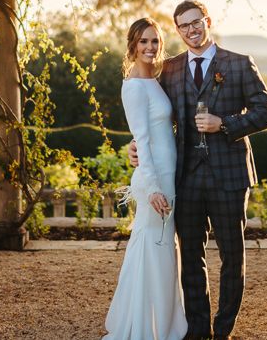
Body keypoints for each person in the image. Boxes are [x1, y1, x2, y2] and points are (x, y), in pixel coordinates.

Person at [129, 0, 267, 340]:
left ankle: (223, 330)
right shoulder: (171, 69)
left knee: (232, 255)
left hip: (229, 176)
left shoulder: (238, 64)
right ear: (178, 30)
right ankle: (198, 330)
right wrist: (134, 145)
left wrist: (224, 123)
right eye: (183, 26)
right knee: (191, 256)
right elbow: (153, 116)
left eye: (196, 22)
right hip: (186, 176)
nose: (191, 30)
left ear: (207, 21)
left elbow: (266, 113)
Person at [103, 17, 188, 340]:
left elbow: (158, 132)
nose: (150, 47)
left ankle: (164, 322)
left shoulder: (156, 79)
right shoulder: (134, 86)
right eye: (143, 42)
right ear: (133, 47)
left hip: (168, 174)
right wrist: (151, 187)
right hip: (155, 180)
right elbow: (141, 136)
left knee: (161, 248)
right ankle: (146, 328)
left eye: (154, 41)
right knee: (154, 248)